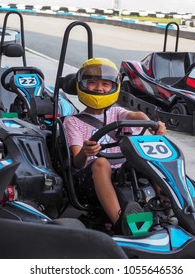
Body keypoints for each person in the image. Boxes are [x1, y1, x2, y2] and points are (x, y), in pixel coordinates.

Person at [63, 57, 166, 234]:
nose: (99, 88)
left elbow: (137, 116)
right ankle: (120, 222)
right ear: (82, 85)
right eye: (93, 83)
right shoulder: (73, 122)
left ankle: (169, 205)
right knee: (101, 162)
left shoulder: (117, 113)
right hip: (89, 181)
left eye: (105, 84)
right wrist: (86, 153)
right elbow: (77, 163)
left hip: (124, 174)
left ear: (114, 87)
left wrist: (152, 124)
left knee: (150, 154)